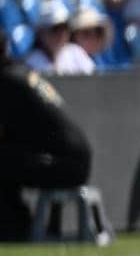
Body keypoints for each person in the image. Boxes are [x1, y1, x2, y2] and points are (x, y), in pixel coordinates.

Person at [0, 33, 93, 241]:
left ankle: (14, 227)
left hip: (64, 165)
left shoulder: (6, 80)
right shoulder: (21, 71)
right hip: (76, 159)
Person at [25, 0, 96, 76]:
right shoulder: (31, 62)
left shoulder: (76, 52)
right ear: (41, 32)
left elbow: (94, 79)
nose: (62, 34)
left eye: (65, 27)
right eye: (56, 28)